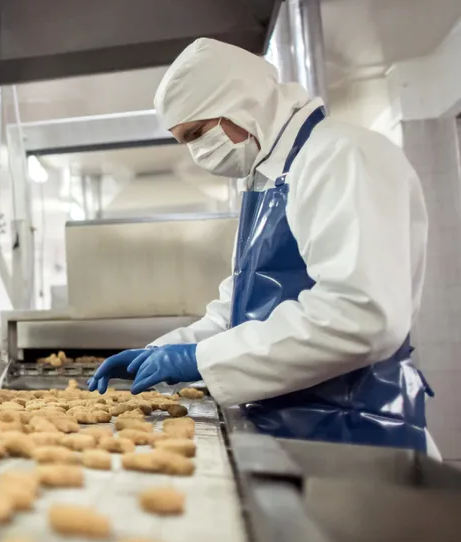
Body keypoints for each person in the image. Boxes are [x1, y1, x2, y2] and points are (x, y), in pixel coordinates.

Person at [88, 38, 434, 453]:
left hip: (357, 433)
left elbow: (359, 316)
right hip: (290, 424)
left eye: (197, 133)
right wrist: (161, 351)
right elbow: (241, 311)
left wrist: (198, 360)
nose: (197, 152)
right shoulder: (269, 181)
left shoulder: (341, 157)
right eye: (184, 141)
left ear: (240, 104)